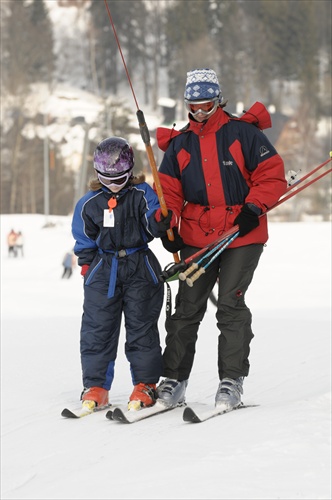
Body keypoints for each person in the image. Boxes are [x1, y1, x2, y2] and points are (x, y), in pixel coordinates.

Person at [154, 68, 287, 411]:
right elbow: (167, 193)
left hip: (242, 233)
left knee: (230, 304)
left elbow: (271, 176)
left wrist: (253, 207)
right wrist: (166, 223)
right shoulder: (180, 144)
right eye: (193, 106)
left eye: (206, 105)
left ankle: (231, 381)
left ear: (218, 101)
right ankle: (174, 379)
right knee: (187, 308)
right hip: (198, 234)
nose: (199, 112)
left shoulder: (244, 134)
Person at [71, 136, 176, 412]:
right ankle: (96, 386)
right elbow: (84, 240)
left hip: (139, 266)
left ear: (129, 172)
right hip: (103, 271)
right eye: (107, 179)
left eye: (120, 179)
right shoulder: (89, 203)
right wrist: (88, 270)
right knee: (97, 330)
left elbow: (152, 219)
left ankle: (145, 384)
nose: (114, 185)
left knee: (141, 328)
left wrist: (159, 222)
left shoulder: (141, 193)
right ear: (97, 174)